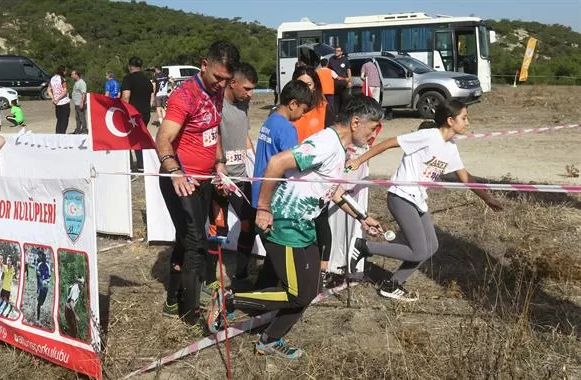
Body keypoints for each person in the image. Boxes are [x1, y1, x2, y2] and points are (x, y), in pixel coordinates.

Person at [210, 95, 384, 358]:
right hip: (284, 222)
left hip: (304, 225)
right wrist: (264, 208)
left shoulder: (340, 148)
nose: (373, 136)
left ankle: (269, 340)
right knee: (299, 295)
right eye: (373, 128)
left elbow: (332, 191)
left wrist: (361, 216)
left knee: (310, 289)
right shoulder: (326, 143)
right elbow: (276, 162)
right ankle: (230, 301)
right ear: (356, 122)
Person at [346, 100, 503, 301]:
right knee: (418, 250)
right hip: (401, 195)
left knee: (431, 247)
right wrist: (359, 160)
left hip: (418, 200)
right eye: (464, 118)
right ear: (450, 120)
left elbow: (464, 176)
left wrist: (487, 198)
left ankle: (392, 284)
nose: (467, 122)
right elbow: (389, 143)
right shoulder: (428, 136)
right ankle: (364, 247)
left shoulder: (450, 147)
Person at [155, 41, 240, 331]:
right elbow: (163, 138)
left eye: (227, 80)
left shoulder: (216, 93)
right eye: (218, 77)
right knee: (195, 241)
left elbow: (212, 129)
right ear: (204, 64)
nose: (222, 85)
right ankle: (190, 314)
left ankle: (173, 299)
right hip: (180, 179)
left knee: (187, 238)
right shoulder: (185, 95)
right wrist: (176, 172)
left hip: (204, 178)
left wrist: (219, 164)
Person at [207, 62, 258, 287]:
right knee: (218, 228)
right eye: (247, 88)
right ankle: (209, 278)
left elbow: (244, 135)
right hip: (218, 178)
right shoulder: (216, 105)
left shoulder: (243, 104)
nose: (251, 94)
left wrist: (253, 159)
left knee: (250, 223)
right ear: (233, 83)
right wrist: (217, 169)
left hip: (240, 179)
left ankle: (241, 274)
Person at [291, 66, 336, 287]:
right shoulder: (289, 110)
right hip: (294, 175)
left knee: (320, 219)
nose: (305, 89)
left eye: (309, 85)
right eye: (301, 84)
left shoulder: (326, 109)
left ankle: (323, 270)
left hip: (319, 176)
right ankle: (302, 267)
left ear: (316, 86)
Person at [251, 80, 313, 208]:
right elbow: (294, 165)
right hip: (273, 196)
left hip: (258, 189)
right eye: (303, 110)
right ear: (293, 104)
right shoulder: (287, 128)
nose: (302, 116)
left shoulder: (271, 119)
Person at [122, 56, 154, 171]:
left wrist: (123, 111)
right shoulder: (147, 80)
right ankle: (142, 163)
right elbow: (152, 98)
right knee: (141, 137)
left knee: (129, 138)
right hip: (145, 113)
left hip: (133, 113)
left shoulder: (128, 79)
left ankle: (132, 164)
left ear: (129, 66)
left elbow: (126, 97)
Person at [47, 65, 71, 134]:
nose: (66, 72)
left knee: (59, 119)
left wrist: (53, 98)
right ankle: (62, 134)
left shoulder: (52, 78)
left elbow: (48, 90)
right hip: (64, 102)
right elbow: (65, 91)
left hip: (57, 103)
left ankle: (58, 133)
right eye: (65, 71)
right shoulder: (62, 79)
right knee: (65, 120)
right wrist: (58, 98)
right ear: (62, 71)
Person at [328, 46, 352, 112]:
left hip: (344, 84)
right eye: (335, 50)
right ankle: (336, 115)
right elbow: (329, 71)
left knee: (344, 100)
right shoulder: (331, 59)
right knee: (336, 101)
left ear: (341, 52)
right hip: (334, 84)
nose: (336, 52)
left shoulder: (345, 59)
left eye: (338, 51)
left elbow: (348, 70)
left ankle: (343, 115)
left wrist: (349, 81)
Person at [70, 69, 88, 134]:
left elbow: (84, 93)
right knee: (77, 117)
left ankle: (84, 130)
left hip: (80, 103)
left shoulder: (82, 83)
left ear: (76, 75)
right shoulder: (76, 82)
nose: (71, 76)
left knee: (82, 117)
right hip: (76, 103)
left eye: (72, 74)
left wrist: (82, 103)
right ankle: (78, 129)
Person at [36, 253, 51, 322]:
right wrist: (39, 286)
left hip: (46, 286)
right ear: (42, 259)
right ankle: (38, 318)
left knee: (42, 302)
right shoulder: (39, 265)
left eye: (45, 258)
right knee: (39, 304)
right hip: (41, 285)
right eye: (43, 258)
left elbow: (50, 275)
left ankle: (39, 300)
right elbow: (38, 275)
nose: (45, 260)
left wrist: (46, 280)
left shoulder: (48, 265)